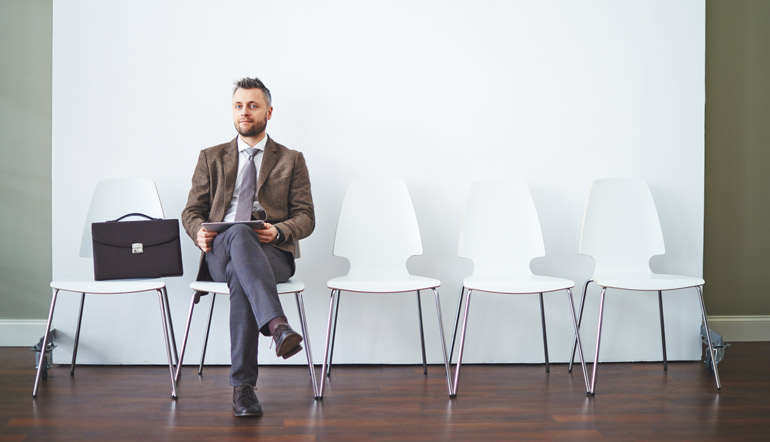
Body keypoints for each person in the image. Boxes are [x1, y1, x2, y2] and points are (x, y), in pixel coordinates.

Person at [182, 77, 315, 417]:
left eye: (253, 105)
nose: (245, 112)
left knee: (244, 277)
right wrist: (198, 232)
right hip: (221, 252)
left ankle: (243, 390)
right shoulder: (211, 157)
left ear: (268, 111)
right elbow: (191, 211)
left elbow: (306, 217)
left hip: (272, 253)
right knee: (239, 233)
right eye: (239, 106)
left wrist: (280, 231)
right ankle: (277, 327)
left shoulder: (291, 159)